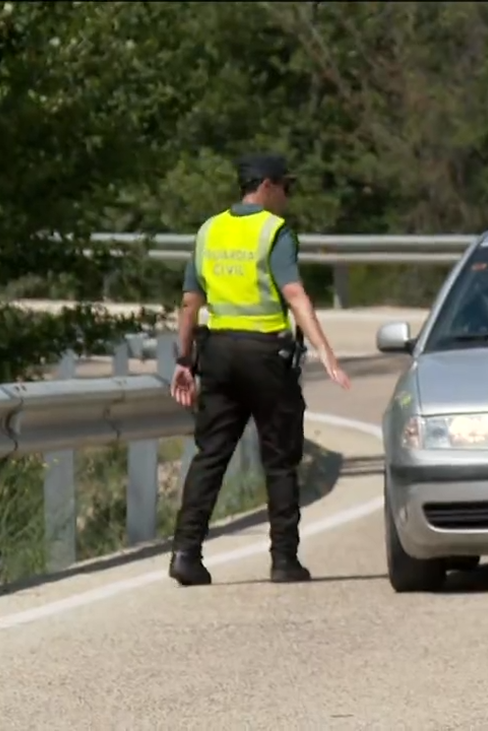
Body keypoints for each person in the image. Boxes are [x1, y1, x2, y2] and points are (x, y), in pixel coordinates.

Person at [167, 153, 351, 587]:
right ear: (266, 185)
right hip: (265, 355)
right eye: (286, 186)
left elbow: (190, 303)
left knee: (211, 454)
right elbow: (295, 295)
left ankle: (185, 554)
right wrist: (326, 350)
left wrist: (183, 359)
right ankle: (284, 559)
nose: (288, 196)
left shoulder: (209, 230)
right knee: (280, 457)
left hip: (218, 356)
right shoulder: (275, 231)